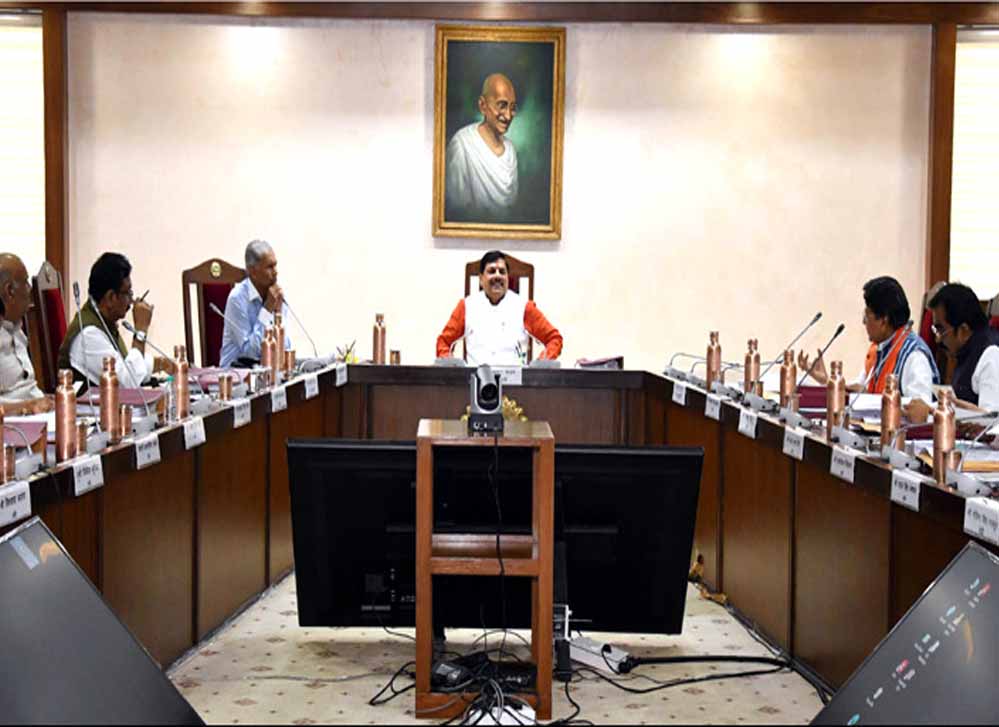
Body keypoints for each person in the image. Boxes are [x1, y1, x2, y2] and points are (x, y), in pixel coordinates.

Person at [798, 276, 938, 402]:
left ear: (883, 320)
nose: (864, 322)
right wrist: (826, 380)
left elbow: (920, 409)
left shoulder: (914, 356)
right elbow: (860, 391)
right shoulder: (880, 349)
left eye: (867, 316)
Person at [436, 250, 562, 366]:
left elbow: (554, 339)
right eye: (491, 271)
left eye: (502, 272)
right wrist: (454, 368)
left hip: (514, 381)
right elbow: (443, 342)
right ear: (481, 279)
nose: (498, 276)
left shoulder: (524, 307)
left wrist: (540, 364)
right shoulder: (466, 306)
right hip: (477, 379)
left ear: (507, 278)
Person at [905, 283, 999, 423]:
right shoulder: (967, 350)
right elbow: (959, 405)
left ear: (963, 330)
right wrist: (928, 408)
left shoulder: (991, 355)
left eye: (941, 330)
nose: (937, 339)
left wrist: (930, 414)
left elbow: (990, 422)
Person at [57, 252, 154, 388]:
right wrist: (141, 330)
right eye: (127, 293)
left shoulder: (105, 321)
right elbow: (127, 384)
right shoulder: (88, 335)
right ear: (110, 297)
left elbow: (126, 366)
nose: (131, 301)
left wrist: (160, 364)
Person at [445, 73, 519, 217]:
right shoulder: (462, 144)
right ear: (483, 105)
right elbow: (456, 209)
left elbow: (513, 207)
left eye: (512, 108)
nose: (508, 115)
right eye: (502, 106)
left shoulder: (510, 150)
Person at [220, 240, 290, 368]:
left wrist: (278, 314)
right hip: (236, 374)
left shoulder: (275, 295)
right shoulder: (237, 299)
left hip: (267, 372)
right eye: (269, 267)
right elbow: (250, 352)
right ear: (252, 271)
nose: (275, 272)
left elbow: (285, 348)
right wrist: (267, 310)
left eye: (275, 266)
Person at [0, 254, 53, 414]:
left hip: (40, 415)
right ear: (10, 291)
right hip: (15, 423)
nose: (30, 289)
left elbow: (29, 388)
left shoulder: (16, 328)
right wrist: (28, 406)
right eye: (25, 282)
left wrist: (47, 401)